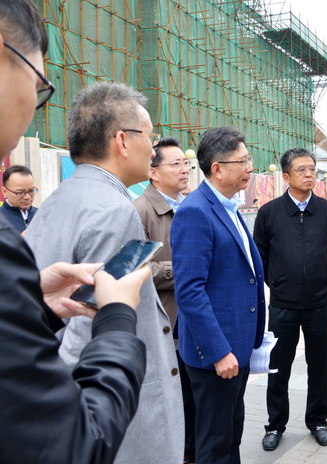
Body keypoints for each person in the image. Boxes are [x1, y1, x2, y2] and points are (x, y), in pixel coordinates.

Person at [0, 1, 153, 461]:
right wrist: (117, 318)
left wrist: (32, 305)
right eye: (38, 82)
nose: (34, 99)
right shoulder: (112, 210)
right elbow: (73, 441)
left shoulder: (64, 196)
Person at [24, 82, 184, 464]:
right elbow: (87, 327)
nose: (154, 147)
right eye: (150, 135)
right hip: (116, 421)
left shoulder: (60, 198)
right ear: (122, 141)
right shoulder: (114, 209)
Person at [171, 126, 266, 464]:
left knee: (231, 436)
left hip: (235, 350)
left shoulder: (229, 208)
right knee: (214, 444)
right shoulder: (196, 211)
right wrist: (218, 352)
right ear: (218, 168)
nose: (250, 167)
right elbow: (190, 291)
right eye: (243, 160)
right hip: (216, 356)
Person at [254, 148, 327, 451]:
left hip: (320, 303)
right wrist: (278, 282)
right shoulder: (269, 213)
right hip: (283, 305)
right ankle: (275, 424)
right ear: (286, 176)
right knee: (278, 366)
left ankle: (318, 420)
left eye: (312, 169)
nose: (309, 175)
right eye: (302, 170)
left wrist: (318, 279)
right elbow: (261, 256)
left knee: (319, 365)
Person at [133, 136, 197, 463]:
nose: (184, 169)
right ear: (153, 172)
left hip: (196, 323)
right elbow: (135, 268)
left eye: (185, 163)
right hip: (167, 327)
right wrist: (183, 270)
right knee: (179, 403)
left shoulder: (192, 204)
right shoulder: (140, 210)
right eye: (176, 164)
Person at [1, 165, 38, 232]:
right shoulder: (2, 219)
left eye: (31, 191)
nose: (27, 197)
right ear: (5, 191)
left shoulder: (42, 215)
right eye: (20, 193)